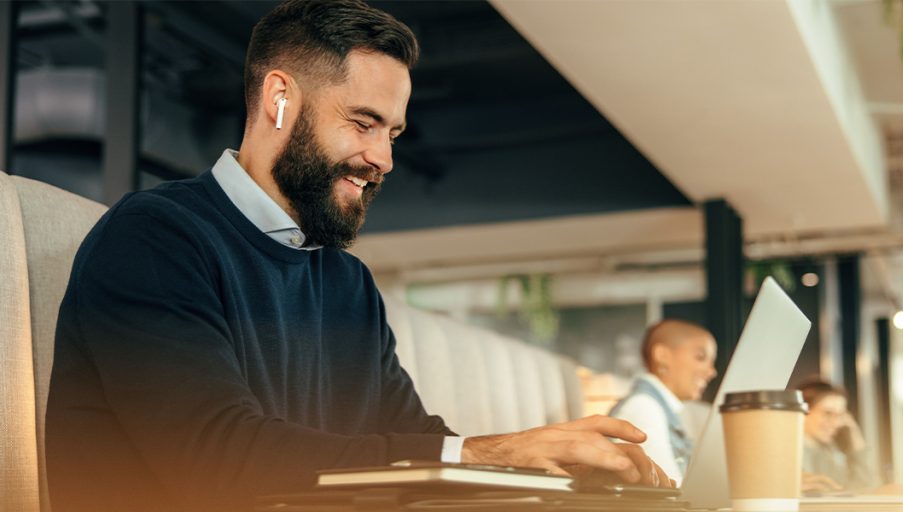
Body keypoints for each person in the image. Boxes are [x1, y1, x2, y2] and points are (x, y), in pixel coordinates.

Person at [44, 2, 671, 511]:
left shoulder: (344, 281)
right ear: (279, 98)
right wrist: (489, 454)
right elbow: (218, 460)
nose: (384, 160)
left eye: (392, 134)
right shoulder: (156, 237)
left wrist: (552, 470)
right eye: (364, 122)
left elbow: (417, 444)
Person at [608, 320, 719, 487]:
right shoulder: (644, 407)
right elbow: (668, 491)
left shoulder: (656, 407)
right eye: (700, 357)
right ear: (662, 355)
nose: (711, 372)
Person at [797, 379, 880, 493]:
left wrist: (856, 438)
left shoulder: (827, 451)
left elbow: (863, 487)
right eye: (828, 413)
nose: (836, 423)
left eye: (840, 415)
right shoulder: (787, 452)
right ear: (802, 412)